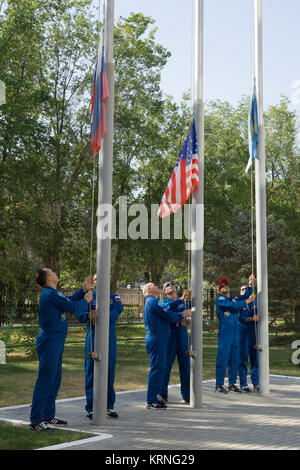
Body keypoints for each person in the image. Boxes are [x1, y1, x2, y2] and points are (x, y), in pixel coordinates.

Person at [29, 268, 94, 432]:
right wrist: (86, 300)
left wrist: (83, 290)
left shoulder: (54, 293)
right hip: (50, 338)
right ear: (48, 277)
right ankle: (36, 420)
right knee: (46, 379)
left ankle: (48, 416)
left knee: (54, 379)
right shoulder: (50, 293)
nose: (55, 273)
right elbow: (72, 307)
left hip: (56, 338)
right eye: (52, 272)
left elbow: (68, 301)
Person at [76, 274, 123, 419]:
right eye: (96, 279)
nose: (99, 281)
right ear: (93, 282)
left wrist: (102, 316)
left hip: (109, 337)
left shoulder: (114, 297)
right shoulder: (88, 296)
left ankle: (108, 406)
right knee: (91, 370)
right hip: (93, 336)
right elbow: (80, 314)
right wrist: (89, 315)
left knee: (109, 370)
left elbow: (116, 311)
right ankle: (91, 407)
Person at [142, 282, 191, 409]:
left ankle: (154, 398)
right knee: (159, 367)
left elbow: (168, 310)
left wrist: (182, 300)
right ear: (149, 289)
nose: (157, 287)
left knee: (161, 367)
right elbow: (168, 313)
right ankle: (154, 398)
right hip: (160, 337)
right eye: (155, 286)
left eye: (174, 289)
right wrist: (182, 315)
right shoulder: (156, 302)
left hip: (164, 336)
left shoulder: (156, 301)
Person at [215, 274, 255, 394]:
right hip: (225, 333)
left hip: (235, 333)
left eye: (226, 285)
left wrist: (250, 284)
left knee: (235, 358)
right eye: (222, 286)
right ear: (219, 290)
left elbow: (246, 296)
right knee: (223, 358)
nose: (225, 287)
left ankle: (232, 383)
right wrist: (247, 301)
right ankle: (219, 384)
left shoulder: (234, 299)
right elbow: (233, 307)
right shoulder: (220, 300)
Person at [158, 281, 191, 404]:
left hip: (182, 335)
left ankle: (186, 394)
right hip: (170, 335)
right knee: (166, 365)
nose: (171, 286)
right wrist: (178, 322)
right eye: (167, 286)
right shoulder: (162, 302)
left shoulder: (184, 302)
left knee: (185, 365)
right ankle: (162, 393)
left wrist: (186, 321)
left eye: (172, 285)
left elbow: (187, 313)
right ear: (164, 292)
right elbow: (168, 312)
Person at [238, 284, 260, 392]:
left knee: (255, 359)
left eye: (246, 289)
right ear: (240, 292)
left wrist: (258, 316)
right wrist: (251, 318)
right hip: (243, 333)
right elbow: (241, 318)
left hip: (253, 333)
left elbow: (258, 313)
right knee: (243, 359)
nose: (244, 291)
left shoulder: (254, 303)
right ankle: (243, 384)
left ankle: (256, 383)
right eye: (242, 289)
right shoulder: (238, 303)